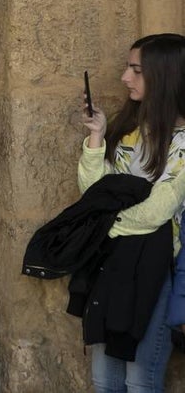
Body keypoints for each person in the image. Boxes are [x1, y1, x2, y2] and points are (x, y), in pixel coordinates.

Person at [78, 33, 185, 392]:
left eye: (135, 70)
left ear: (166, 75)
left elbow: (156, 212)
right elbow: (95, 194)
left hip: (156, 272)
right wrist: (97, 136)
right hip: (117, 266)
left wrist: (102, 223)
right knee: (104, 379)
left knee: (140, 381)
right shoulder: (131, 134)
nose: (125, 77)